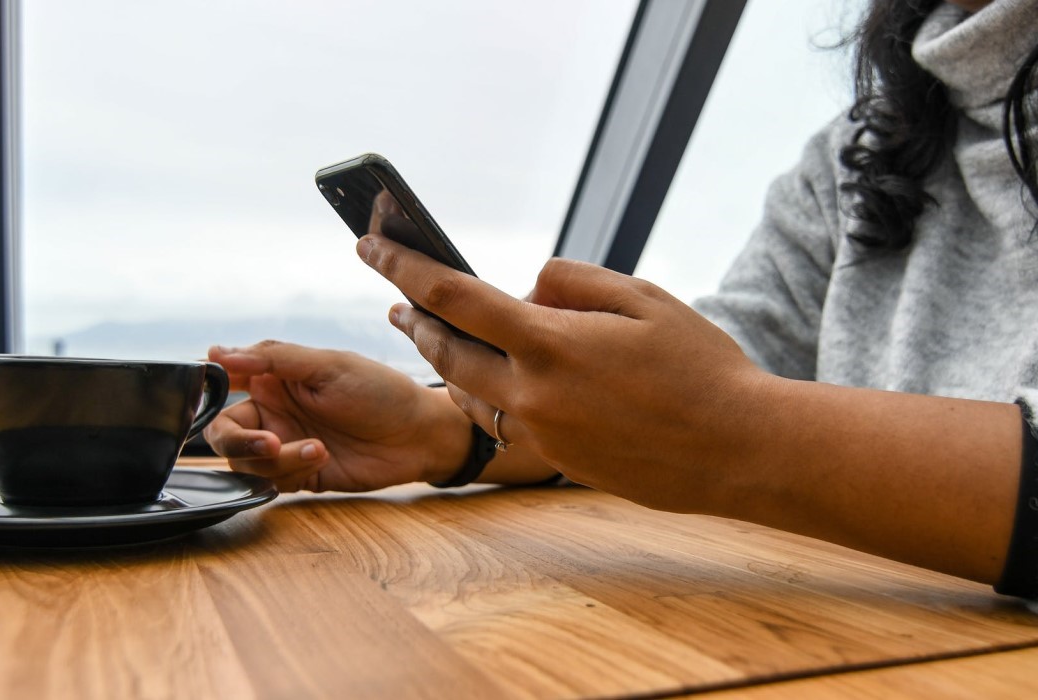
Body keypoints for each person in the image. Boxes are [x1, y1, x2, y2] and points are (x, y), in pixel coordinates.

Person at [205, 0, 1038, 597]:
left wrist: (737, 430)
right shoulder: (857, 152)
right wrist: (447, 429)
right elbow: (728, 374)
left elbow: (731, 415)